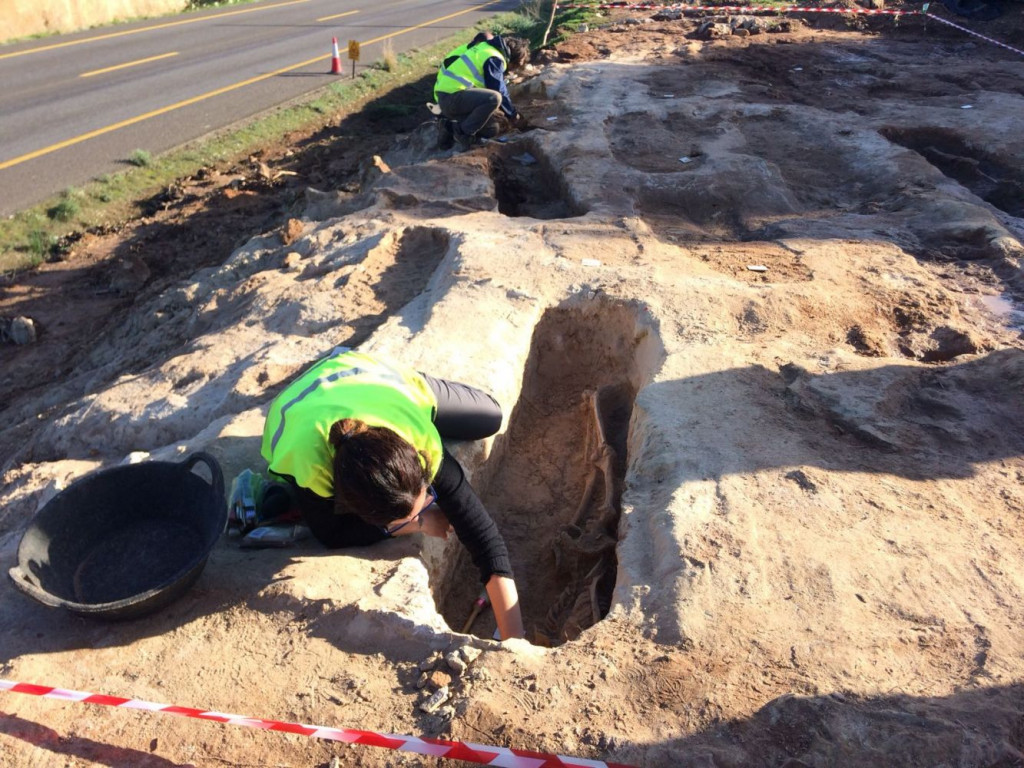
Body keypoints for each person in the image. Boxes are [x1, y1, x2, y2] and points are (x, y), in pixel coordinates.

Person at [260, 346, 525, 640]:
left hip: (373, 380)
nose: (426, 509)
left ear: (417, 461)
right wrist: (420, 523)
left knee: (489, 417)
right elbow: (331, 534)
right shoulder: (310, 468)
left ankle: (412, 383)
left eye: (426, 500)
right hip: (300, 408)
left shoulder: (420, 440)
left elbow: (483, 536)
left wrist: (514, 639)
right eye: (402, 520)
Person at [433, 31, 531, 151]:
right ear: (513, 58)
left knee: (492, 128)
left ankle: (450, 127)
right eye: (515, 65)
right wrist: (513, 114)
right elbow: (498, 90)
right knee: (494, 98)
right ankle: (463, 134)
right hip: (452, 98)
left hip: (450, 99)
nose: (512, 69)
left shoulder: (485, 48)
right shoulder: (494, 58)